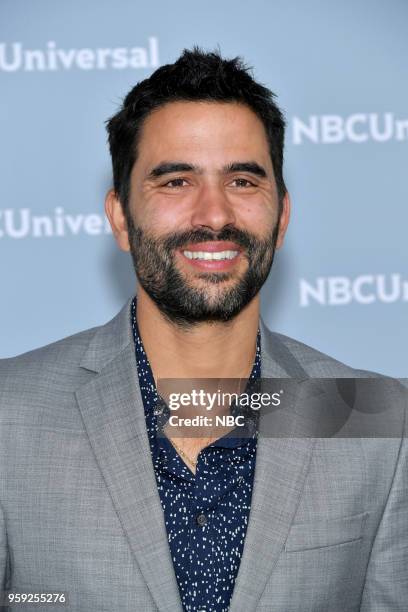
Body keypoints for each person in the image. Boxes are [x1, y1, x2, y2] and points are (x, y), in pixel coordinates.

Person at [0, 47, 406, 612]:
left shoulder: (378, 421)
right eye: (175, 182)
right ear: (120, 218)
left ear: (282, 216)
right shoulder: (8, 414)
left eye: (242, 181)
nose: (213, 215)